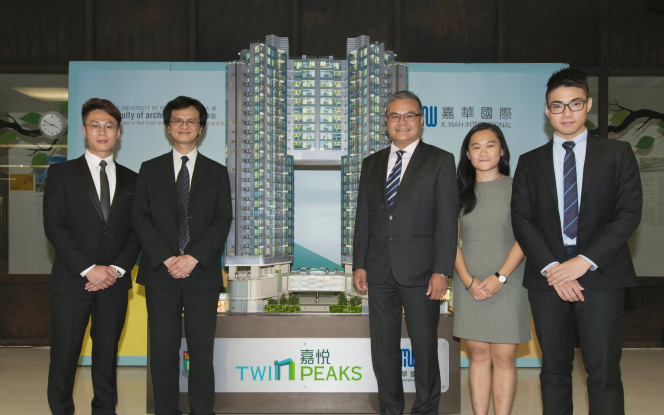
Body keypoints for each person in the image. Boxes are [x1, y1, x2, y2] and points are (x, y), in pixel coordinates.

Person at [511, 67, 642, 415]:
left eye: (574, 104)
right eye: (557, 106)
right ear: (546, 110)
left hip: (601, 273)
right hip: (547, 277)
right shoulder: (529, 161)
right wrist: (554, 268)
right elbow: (521, 220)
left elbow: (628, 214)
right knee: (553, 370)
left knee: (602, 372)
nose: (566, 113)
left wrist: (582, 262)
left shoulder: (618, 154)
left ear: (588, 105)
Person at [353, 90, 459, 415]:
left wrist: (442, 270)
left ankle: (426, 410)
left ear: (421, 120)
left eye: (409, 115)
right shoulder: (371, 163)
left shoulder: (440, 160)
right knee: (383, 351)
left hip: (423, 274)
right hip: (380, 273)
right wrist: (359, 264)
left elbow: (447, 220)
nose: (402, 122)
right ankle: (390, 410)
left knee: (425, 350)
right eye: (394, 116)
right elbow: (365, 218)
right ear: (386, 122)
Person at [132, 96, 232, 415]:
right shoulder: (149, 170)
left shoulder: (217, 172)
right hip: (160, 274)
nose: (184, 126)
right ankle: (166, 410)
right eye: (178, 120)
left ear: (201, 128)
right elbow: (141, 218)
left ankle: (202, 410)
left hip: (201, 274)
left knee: (201, 351)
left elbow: (222, 219)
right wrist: (167, 258)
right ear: (168, 127)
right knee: (163, 350)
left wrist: (192, 257)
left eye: (191, 121)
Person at [44, 98, 141, 415]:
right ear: (85, 130)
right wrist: (89, 269)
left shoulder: (134, 179)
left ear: (118, 132)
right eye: (95, 125)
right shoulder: (60, 174)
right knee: (64, 353)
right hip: (73, 281)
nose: (103, 131)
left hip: (114, 282)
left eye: (109, 126)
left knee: (106, 354)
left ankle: (104, 409)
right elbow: (55, 227)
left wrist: (114, 269)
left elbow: (136, 232)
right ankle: (61, 410)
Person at [453, 123, 530, 415]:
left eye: (490, 145)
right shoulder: (458, 192)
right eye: (476, 146)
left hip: (509, 279)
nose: (483, 152)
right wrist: (467, 280)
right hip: (469, 280)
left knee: (504, 355)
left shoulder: (518, 187)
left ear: (502, 150)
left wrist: (500, 277)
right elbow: (450, 241)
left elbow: (526, 236)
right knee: (479, 354)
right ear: (468, 155)